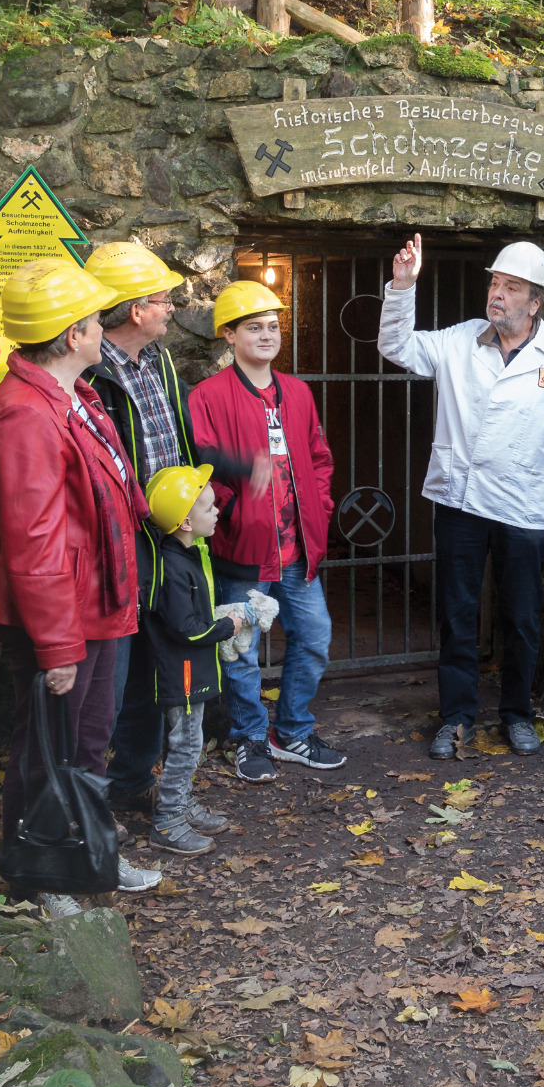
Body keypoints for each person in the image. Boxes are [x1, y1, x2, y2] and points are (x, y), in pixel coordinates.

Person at [0, 258, 163, 916]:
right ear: (73, 335)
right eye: (94, 322)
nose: (102, 331)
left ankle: (88, 855)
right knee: (48, 748)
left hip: (92, 601)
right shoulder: (27, 416)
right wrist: (56, 648)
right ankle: (40, 877)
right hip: (63, 612)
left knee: (84, 740)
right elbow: (35, 543)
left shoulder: (70, 396)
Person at [377, 234, 544, 758]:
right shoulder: (460, 340)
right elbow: (397, 347)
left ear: (535, 302)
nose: (497, 293)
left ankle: (517, 715)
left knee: (521, 619)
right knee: (457, 614)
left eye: (511, 287)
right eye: (495, 282)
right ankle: (456, 718)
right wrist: (402, 288)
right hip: (461, 502)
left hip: (523, 506)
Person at [82, 241, 269, 819]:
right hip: (122, 546)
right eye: (163, 300)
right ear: (136, 310)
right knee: (118, 677)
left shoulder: (158, 362)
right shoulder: (89, 371)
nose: (172, 309)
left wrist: (235, 468)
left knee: (154, 669)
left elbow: (185, 442)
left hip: (168, 543)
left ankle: (134, 784)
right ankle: (99, 806)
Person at [188, 281, 345, 782]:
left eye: (273, 326)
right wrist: (234, 512)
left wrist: (320, 507)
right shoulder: (207, 396)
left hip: (298, 551)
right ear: (229, 335)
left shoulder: (297, 392)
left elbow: (319, 459)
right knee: (240, 651)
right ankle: (250, 738)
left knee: (315, 638)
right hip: (244, 550)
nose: (267, 335)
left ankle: (291, 731)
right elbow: (202, 466)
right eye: (254, 327)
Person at [138, 464, 246, 855]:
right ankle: (168, 820)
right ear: (186, 522)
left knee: (187, 742)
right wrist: (227, 626)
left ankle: (181, 804)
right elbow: (186, 629)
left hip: (191, 670)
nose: (217, 512)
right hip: (181, 673)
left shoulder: (189, 553)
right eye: (209, 507)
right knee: (185, 745)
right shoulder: (174, 566)